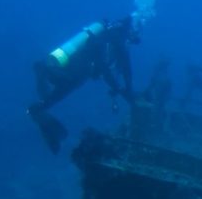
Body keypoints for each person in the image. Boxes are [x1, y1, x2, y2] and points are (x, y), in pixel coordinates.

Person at [28, 17, 141, 153]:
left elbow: (120, 69)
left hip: (68, 68)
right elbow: (114, 69)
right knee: (55, 94)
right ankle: (43, 81)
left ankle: (39, 100)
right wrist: (121, 89)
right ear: (130, 30)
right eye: (135, 33)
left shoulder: (107, 35)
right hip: (78, 71)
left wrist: (122, 88)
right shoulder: (117, 40)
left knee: (48, 100)